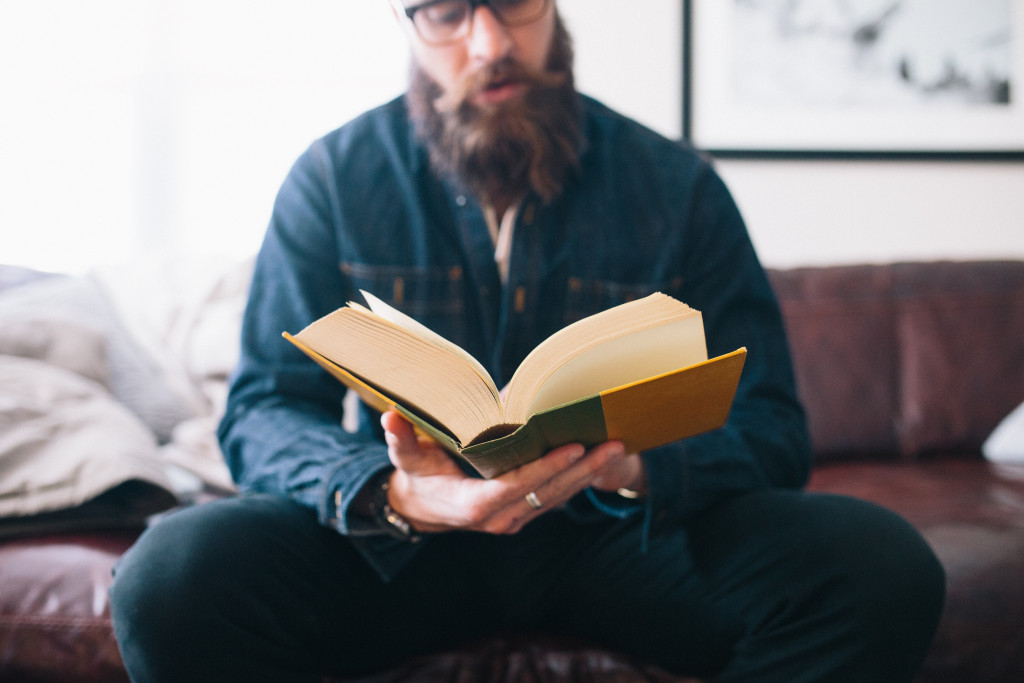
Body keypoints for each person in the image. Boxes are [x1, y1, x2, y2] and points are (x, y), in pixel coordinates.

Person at [110, 1, 945, 681]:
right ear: (407, 25)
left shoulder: (677, 185)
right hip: (409, 547)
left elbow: (772, 425)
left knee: (880, 567)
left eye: (514, 2)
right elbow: (261, 410)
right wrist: (394, 495)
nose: (491, 41)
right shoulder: (332, 178)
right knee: (171, 577)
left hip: (617, 541)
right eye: (446, 11)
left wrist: (634, 466)